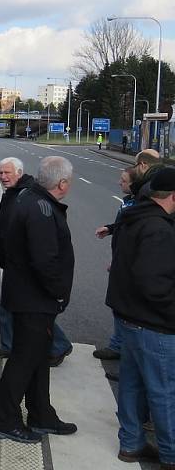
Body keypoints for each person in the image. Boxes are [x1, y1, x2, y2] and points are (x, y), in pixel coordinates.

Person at [0, 156, 77, 444]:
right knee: (23, 361)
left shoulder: (29, 198)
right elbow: (45, 260)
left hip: (29, 295)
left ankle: (41, 414)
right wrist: (59, 291)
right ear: (61, 183)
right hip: (34, 298)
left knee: (38, 359)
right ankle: (4, 420)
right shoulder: (40, 208)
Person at [107, 167, 175, 467]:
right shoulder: (159, 229)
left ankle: (131, 444)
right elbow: (154, 283)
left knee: (132, 386)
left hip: (128, 316)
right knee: (163, 392)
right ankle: (171, 452)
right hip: (154, 324)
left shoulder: (133, 216)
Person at [0, 158, 73, 365]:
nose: (3, 177)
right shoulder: (16, 193)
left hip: (21, 266)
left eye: (7, 173)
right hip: (12, 261)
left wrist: (58, 291)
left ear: (19, 172)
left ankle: (57, 345)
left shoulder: (26, 195)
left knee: (27, 312)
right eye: (0, 173)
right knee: (14, 309)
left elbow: (43, 252)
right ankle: (12, 346)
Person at [92, 166, 137, 369]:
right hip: (122, 260)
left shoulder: (138, 204)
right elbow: (126, 226)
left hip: (127, 265)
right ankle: (120, 346)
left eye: (124, 180)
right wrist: (111, 229)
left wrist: (120, 262)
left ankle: (121, 349)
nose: (119, 183)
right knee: (120, 305)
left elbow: (132, 238)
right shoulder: (130, 202)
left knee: (124, 307)